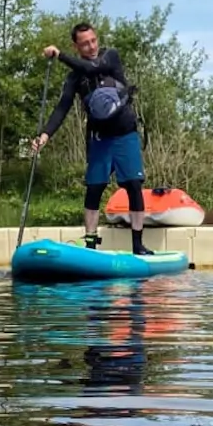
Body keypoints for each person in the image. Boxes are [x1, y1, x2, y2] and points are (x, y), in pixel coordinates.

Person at [30, 22, 154, 254]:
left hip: (125, 134)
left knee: (133, 186)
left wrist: (60, 56)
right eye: (85, 43)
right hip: (100, 139)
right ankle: (90, 243)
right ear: (76, 46)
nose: (91, 46)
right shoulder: (74, 78)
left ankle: (138, 245)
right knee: (94, 188)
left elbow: (91, 68)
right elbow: (62, 108)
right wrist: (44, 135)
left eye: (93, 41)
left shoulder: (110, 57)